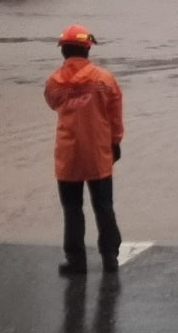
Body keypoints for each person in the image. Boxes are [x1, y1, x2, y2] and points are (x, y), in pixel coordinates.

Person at [45, 24, 124, 276]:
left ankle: (76, 261)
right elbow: (115, 116)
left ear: (63, 51)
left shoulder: (54, 82)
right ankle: (110, 257)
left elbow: (52, 102)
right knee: (103, 205)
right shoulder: (105, 79)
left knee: (72, 208)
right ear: (88, 50)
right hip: (99, 153)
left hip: (68, 155)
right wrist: (116, 142)